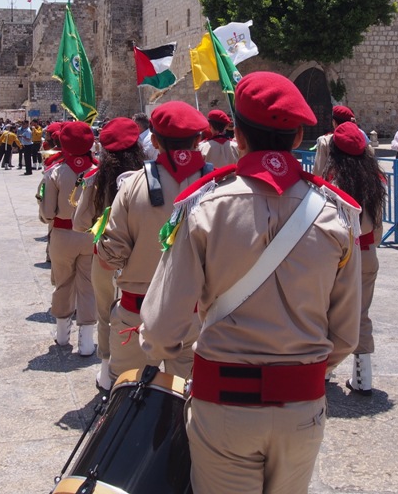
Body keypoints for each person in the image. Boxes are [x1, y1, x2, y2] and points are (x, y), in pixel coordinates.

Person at [140, 72, 362, 494]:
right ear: (298, 136)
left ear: (237, 136)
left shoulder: (204, 208)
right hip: (302, 406)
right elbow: (346, 335)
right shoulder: (336, 215)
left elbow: (161, 328)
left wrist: (182, 360)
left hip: (224, 403)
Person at [99, 101, 211, 384]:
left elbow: (109, 257)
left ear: (156, 141)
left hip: (137, 315)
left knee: (125, 398)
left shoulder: (131, 185)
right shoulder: (219, 186)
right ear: (199, 140)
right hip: (195, 316)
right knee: (186, 402)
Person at [71, 117, 145, 392]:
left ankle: (106, 370)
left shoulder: (95, 180)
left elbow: (79, 223)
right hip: (140, 259)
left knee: (105, 312)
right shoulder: (148, 179)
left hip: (103, 257)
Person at [322, 120, 386, 396]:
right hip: (367, 252)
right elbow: (380, 224)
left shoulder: (334, 179)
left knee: (326, 313)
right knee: (361, 313)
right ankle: (363, 376)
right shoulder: (374, 177)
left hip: (336, 255)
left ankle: (325, 370)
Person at [39, 121, 99, 355]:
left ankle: (63, 335)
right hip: (90, 236)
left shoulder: (54, 171)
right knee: (88, 286)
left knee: (63, 282)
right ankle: (86, 342)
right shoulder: (99, 169)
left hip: (62, 235)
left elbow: (47, 213)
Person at [312, 104, 358, 176]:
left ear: (334, 122)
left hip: (332, 185)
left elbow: (318, 172)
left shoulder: (325, 141)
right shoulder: (360, 141)